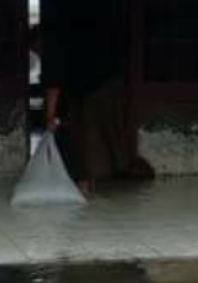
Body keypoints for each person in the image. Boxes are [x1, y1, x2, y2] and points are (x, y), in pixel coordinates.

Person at [30, 24, 151, 194]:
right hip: (107, 87)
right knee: (96, 139)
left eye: (35, 51)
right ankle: (90, 182)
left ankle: (85, 184)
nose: (36, 54)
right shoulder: (67, 46)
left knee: (84, 139)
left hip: (96, 92)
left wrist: (50, 117)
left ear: (38, 42)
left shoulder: (52, 50)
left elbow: (53, 87)